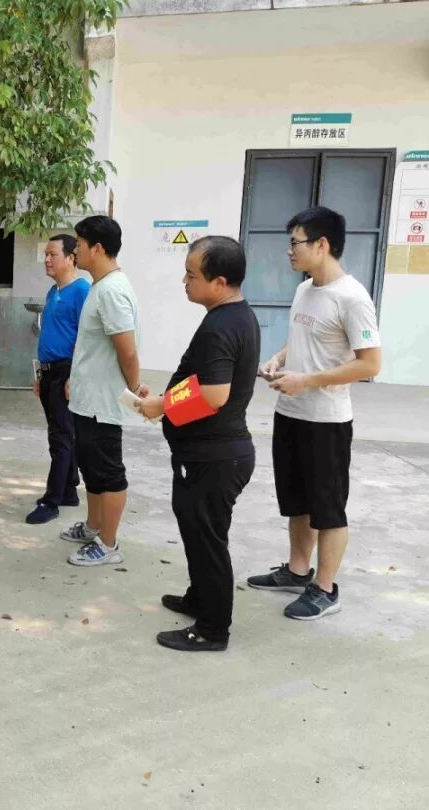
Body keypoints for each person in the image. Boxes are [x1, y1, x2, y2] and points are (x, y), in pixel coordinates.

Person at [247, 206, 382, 620]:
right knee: (297, 501)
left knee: (327, 508)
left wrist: (308, 380)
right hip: (290, 412)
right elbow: (303, 339)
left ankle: (325, 589)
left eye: (296, 243)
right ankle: (297, 570)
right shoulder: (305, 289)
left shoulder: (353, 298)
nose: (289, 251)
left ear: (322, 245)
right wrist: (278, 359)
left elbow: (370, 364)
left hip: (326, 421)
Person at [136, 237, 260, 651]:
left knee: (207, 541)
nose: (184, 282)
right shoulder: (236, 316)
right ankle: (199, 597)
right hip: (214, 453)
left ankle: (212, 629)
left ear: (219, 281)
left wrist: (161, 405)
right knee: (199, 532)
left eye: (191, 275)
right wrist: (166, 401)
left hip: (213, 456)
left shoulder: (221, 326)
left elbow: (214, 394)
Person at [62, 215, 144, 567]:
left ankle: (108, 544)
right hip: (88, 398)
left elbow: (127, 351)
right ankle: (93, 526)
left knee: (109, 473)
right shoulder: (100, 286)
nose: (74, 250)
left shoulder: (112, 291)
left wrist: (134, 389)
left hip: (104, 403)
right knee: (92, 468)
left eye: (79, 244)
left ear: (97, 248)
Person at [26, 234, 90, 524]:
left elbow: (86, 338)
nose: (47, 260)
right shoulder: (54, 291)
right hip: (49, 371)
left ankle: (51, 501)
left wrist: (74, 376)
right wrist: (40, 375)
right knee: (61, 432)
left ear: (70, 258)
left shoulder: (81, 291)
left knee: (60, 437)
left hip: (67, 370)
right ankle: (68, 490)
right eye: (46, 255)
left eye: (53, 254)